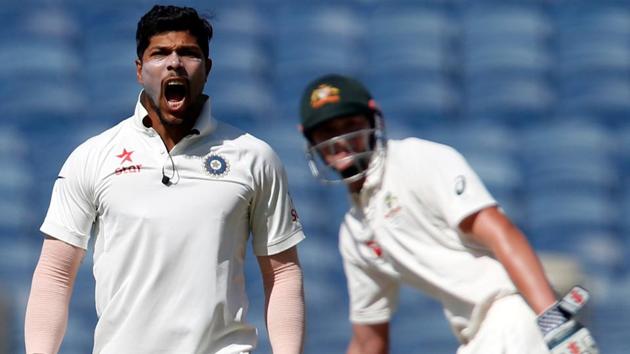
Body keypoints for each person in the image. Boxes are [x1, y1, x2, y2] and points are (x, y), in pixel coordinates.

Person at [25, 5, 305, 354]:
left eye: (189, 53)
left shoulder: (254, 157)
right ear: (140, 70)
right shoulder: (92, 157)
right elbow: (55, 275)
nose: (175, 62)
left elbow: (282, 272)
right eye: (160, 53)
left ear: (208, 69)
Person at [297, 73, 598, 354]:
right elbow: (368, 341)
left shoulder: (418, 160)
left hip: (513, 316)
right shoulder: (355, 233)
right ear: (310, 140)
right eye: (327, 131)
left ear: (373, 121)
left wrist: (552, 320)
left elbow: (499, 232)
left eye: (350, 125)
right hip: (480, 337)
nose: (340, 140)